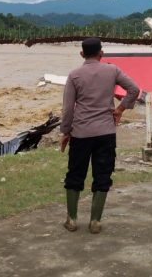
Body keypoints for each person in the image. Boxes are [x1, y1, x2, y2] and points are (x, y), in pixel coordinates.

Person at [60, 37, 140, 234]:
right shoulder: (112, 70)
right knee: (102, 174)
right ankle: (95, 221)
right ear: (101, 53)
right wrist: (120, 109)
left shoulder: (74, 75)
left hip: (80, 133)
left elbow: (68, 108)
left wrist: (65, 132)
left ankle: (71, 219)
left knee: (75, 173)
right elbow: (134, 89)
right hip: (106, 132)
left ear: (81, 54)